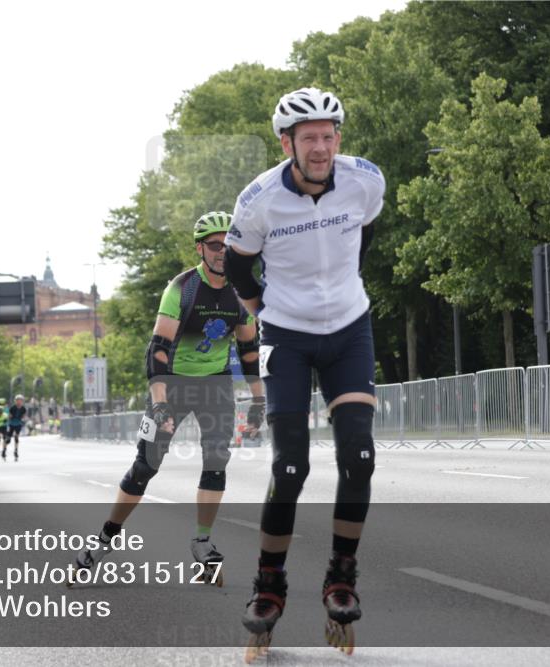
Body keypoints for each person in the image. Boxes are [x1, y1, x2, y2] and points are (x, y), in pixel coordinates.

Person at [224, 87, 384, 657]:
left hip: (349, 330)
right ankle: (269, 585)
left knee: (359, 456)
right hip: (286, 336)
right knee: (290, 467)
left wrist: (337, 294)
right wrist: (265, 313)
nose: (321, 147)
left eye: (329, 135)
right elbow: (239, 268)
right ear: (286, 142)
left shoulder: (365, 180)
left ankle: (341, 575)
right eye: (309, 137)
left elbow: (364, 238)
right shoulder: (259, 201)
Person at [70, 212, 264, 587]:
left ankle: (203, 544)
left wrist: (258, 402)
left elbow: (249, 351)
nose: (222, 252)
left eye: (229, 245)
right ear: (200, 249)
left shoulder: (243, 291)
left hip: (215, 385)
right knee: (146, 466)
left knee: (216, 462)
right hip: (171, 384)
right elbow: (157, 351)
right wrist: (159, 405)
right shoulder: (182, 288)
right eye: (214, 245)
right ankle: (105, 537)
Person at [7, 395, 26, 461]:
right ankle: (4, 449)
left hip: (18, 424)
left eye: (20, 401)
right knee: (8, 439)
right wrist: (11, 417)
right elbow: (9, 416)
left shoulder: (23, 408)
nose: (19, 402)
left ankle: (16, 451)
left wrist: (22, 420)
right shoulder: (12, 408)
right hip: (12, 424)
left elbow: (23, 416)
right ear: (15, 401)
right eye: (18, 400)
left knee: (16, 437)